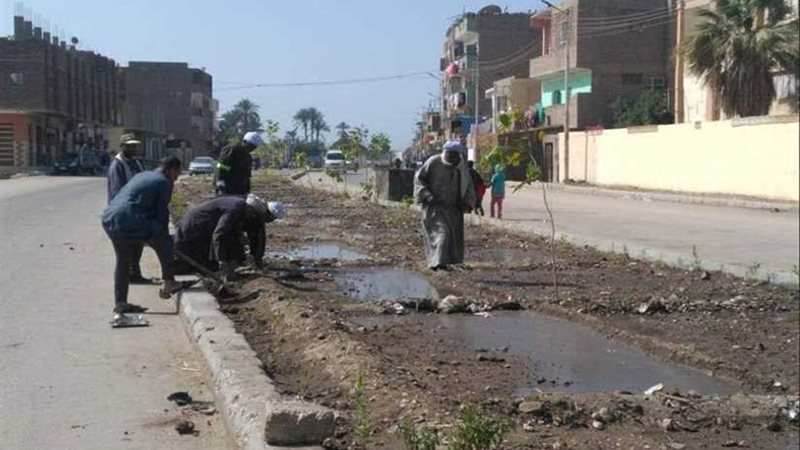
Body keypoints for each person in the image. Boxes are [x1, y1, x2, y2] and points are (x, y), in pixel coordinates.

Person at [101, 156, 194, 314]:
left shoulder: (142, 175)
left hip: (110, 218)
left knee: (123, 261)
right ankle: (169, 282)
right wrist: (165, 243)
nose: (177, 178)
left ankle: (121, 303)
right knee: (165, 241)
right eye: (177, 174)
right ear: (171, 170)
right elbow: (161, 215)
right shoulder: (164, 183)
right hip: (128, 219)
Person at [173, 194, 284, 278]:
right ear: (252, 211)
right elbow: (219, 234)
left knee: (234, 244)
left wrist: (256, 259)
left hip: (206, 231)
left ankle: (228, 268)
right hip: (192, 232)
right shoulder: (235, 209)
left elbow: (256, 236)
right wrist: (221, 260)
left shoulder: (246, 210)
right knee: (205, 266)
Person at [414, 141, 475, 271]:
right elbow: (419, 179)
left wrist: (467, 203)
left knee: (453, 237)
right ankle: (437, 263)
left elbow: (469, 186)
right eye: (450, 154)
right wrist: (427, 195)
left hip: (453, 209)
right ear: (444, 153)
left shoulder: (461, 166)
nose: (452, 158)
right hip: (435, 208)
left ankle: (447, 261)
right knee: (442, 234)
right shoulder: (434, 162)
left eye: (455, 155)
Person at [107, 133, 150, 284]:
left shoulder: (136, 163)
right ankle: (128, 277)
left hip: (136, 211)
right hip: (124, 212)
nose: (133, 148)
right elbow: (117, 192)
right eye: (130, 146)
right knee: (127, 248)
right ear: (122, 146)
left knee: (137, 244)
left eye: (135, 145)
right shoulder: (117, 166)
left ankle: (135, 273)